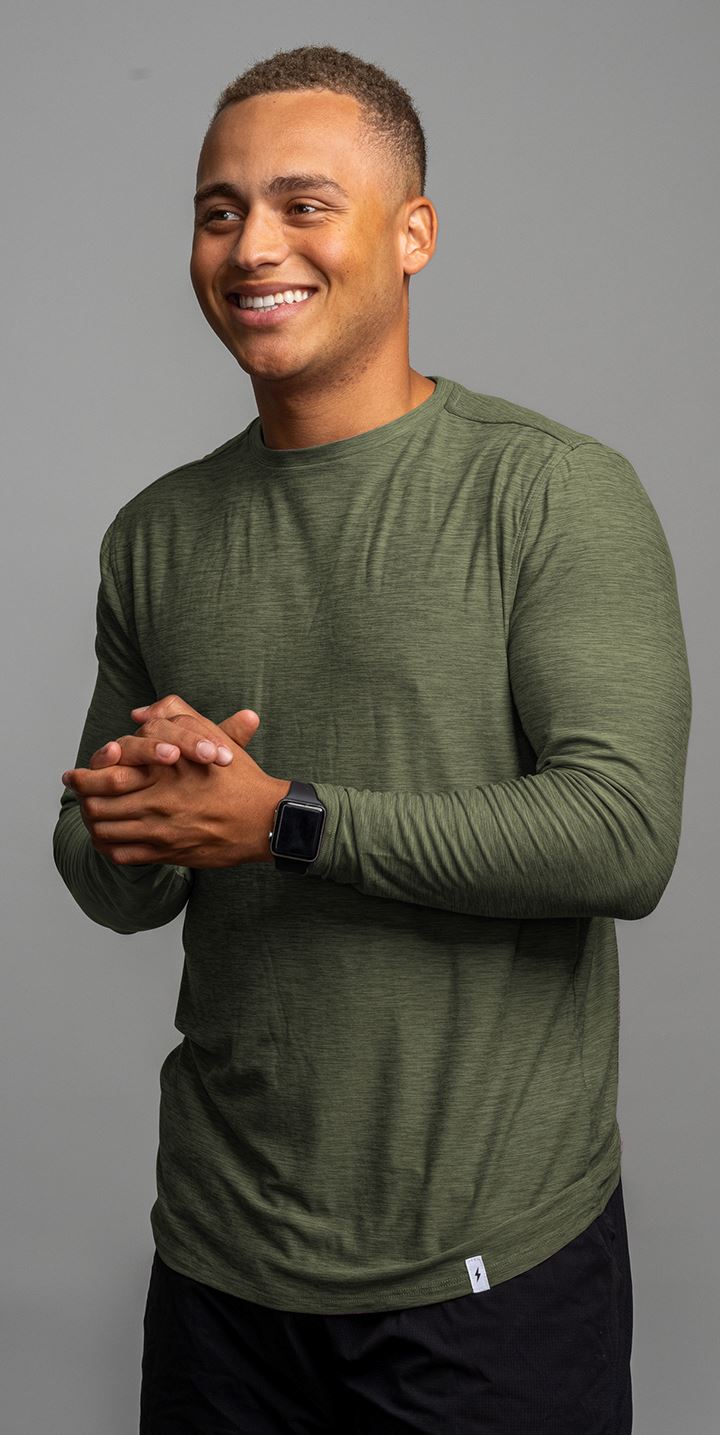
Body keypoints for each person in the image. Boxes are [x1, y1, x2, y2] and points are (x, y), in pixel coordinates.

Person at [53, 43, 691, 1435]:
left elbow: (622, 834)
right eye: (219, 211)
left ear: (413, 235)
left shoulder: (553, 493)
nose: (251, 247)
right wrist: (135, 812)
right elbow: (110, 883)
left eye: (303, 205)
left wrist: (283, 820)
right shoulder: (155, 534)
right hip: (218, 1269)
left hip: (488, 1276)